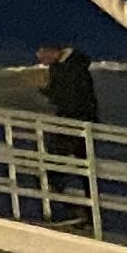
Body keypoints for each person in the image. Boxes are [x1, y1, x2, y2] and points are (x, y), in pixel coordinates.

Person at [34, 41, 102, 225]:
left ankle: (81, 213)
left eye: (42, 54)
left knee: (73, 170)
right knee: (74, 171)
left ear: (53, 51)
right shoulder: (63, 67)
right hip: (70, 122)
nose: (41, 60)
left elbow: (75, 95)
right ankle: (79, 211)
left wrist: (49, 92)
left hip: (76, 123)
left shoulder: (74, 67)